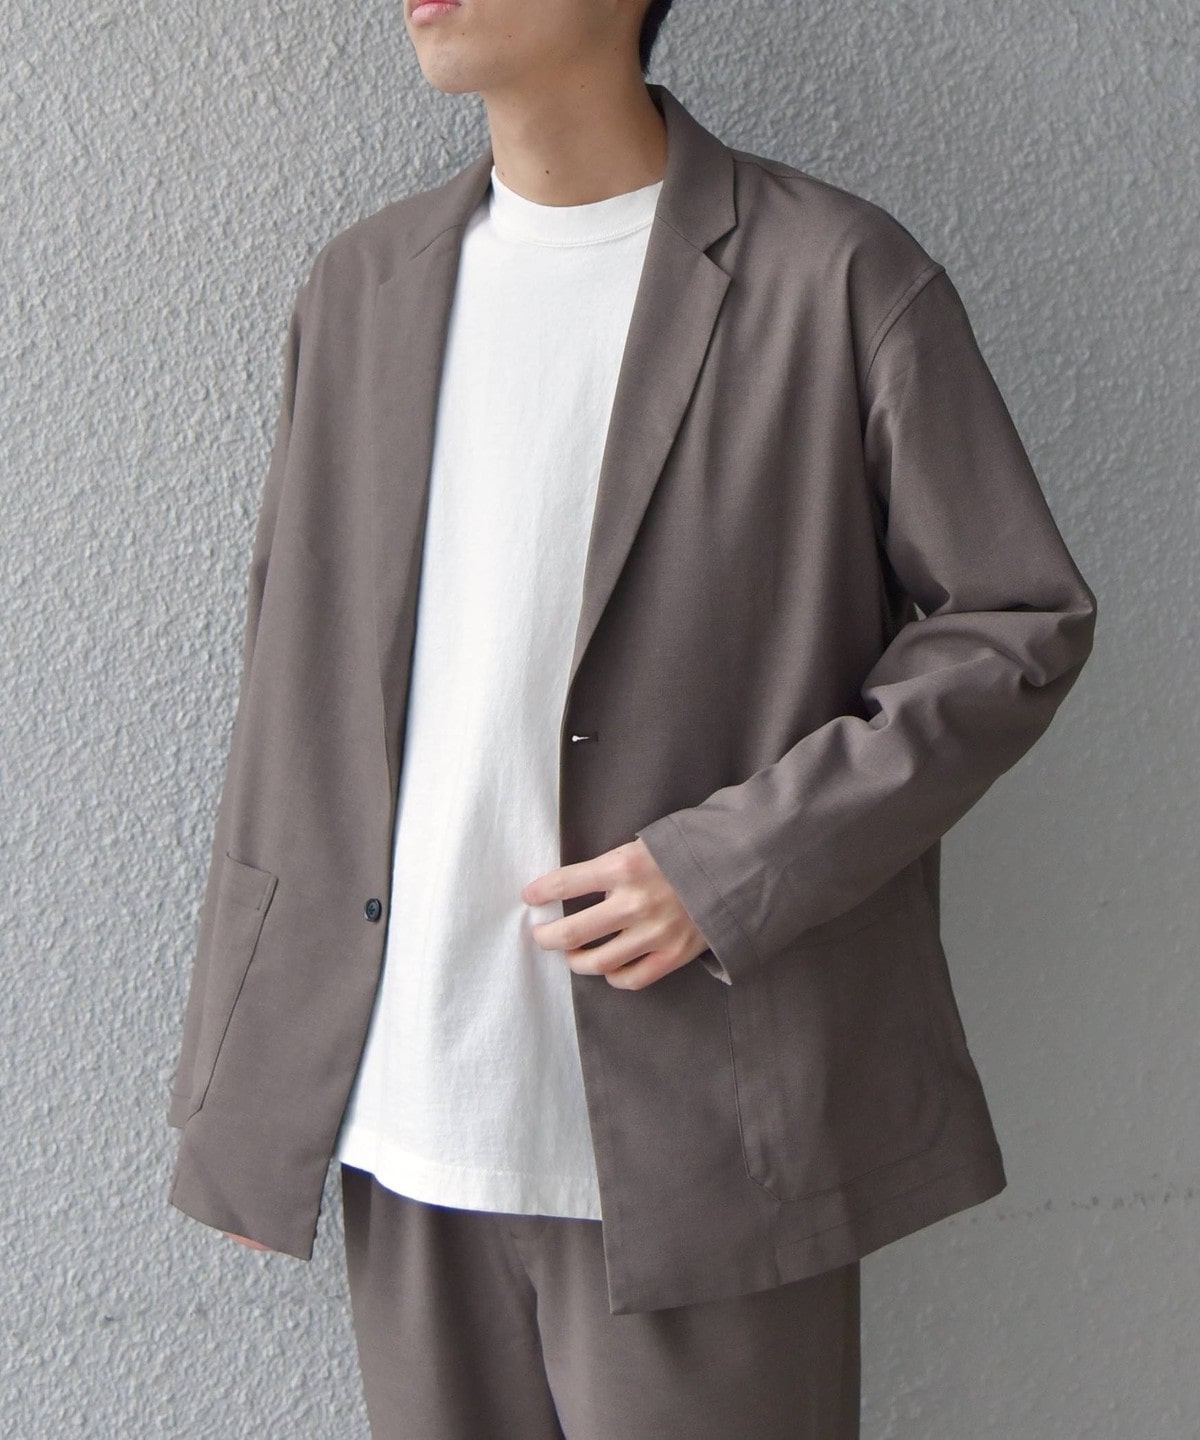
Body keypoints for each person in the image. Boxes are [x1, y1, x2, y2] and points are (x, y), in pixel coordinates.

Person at [167, 1, 1098, 1435]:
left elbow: (1016, 621)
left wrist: (732, 867)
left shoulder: (834, 276)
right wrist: (250, 1094)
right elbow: (291, 697)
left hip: (706, 1136)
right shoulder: (361, 289)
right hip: (407, 1121)